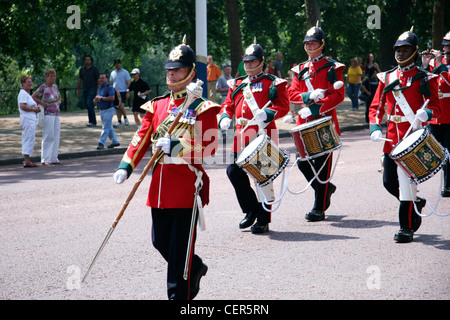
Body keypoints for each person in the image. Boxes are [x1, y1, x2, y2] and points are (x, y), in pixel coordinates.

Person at [113, 40, 220, 300]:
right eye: (169, 69)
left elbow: (210, 147)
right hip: (160, 186)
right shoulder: (157, 105)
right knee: (160, 241)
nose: (172, 74)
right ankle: (194, 267)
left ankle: (178, 296)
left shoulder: (202, 107)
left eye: (178, 70)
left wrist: (176, 146)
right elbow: (141, 137)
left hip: (186, 186)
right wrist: (126, 165)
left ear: (191, 72)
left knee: (179, 251)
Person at [369, 29, 440, 243]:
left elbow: (436, 107)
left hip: (413, 137)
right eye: (398, 50)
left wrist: (426, 113)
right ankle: (417, 203)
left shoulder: (425, 77)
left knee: (406, 183)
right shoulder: (387, 77)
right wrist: (374, 127)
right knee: (389, 182)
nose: (400, 53)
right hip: (392, 138)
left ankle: (405, 228)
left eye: (405, 49)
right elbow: (375, 107)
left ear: (415, 51)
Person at [219, 42, 289, 234]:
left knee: (263, 178)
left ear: (261, 62)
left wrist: (268, 113)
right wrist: (225, 116)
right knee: (233, 171)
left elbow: (283, 106)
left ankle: (263, 220)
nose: (249, 65)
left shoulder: (272, 82)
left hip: (264, 133)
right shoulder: (239, 83)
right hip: (241, 135)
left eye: (253, 62)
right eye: (246, 62)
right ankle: (251, 209)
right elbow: (228, 104)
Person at [288, 25, 346, 222]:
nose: (310, 46)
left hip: (324, 121)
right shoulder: (300, 69)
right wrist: (307, 95)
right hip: (304, 120)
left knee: (322, 166)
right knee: (302, 162)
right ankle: (326, 188)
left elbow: (338, 95)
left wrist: (315, 108)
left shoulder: (332, 67)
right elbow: (292, 94)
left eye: (313, 42)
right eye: (307, 43)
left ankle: (319, 208)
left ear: (321, 44)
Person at [421, 31, 450, 197]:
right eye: (445, 45)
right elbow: (426, 84)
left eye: (449, 46)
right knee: (434, 150)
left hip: (449, 115)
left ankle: (448, 186)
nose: (446, 48)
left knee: (448, 151)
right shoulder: (434, 62)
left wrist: (439, 63)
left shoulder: (438, 63)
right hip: (436, 114)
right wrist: (425, 65)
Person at [32, 69, 62, 165]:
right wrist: (42, 103)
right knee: (48, 136)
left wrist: (59, 101)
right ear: (47, 77)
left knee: (56, 135)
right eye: (51, 76)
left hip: (56, 112)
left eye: (54, 76)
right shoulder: (43, 87)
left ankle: (54, 157)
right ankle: (46, 159)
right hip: (48, 113)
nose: (53, 78)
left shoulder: (55, 87)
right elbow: (34, 96)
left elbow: (59, 96)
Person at [18, 75, 41, 167]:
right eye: (28, 82)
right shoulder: (23, 93)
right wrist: (33, 110)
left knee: (29, 138)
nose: (30, 84)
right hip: (27, 119)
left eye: (31, 82)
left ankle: (27, 159)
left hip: (31, 119)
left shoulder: (27, 94)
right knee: (28, 138)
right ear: (23, 83)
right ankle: (26, 160)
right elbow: (22, 106)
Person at [94, 73, 120, 150]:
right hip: (102, 110)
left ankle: (101, 143)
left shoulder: (109, 87)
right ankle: (115, 141)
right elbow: (98, 97)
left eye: (103, 78)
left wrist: (101, 98)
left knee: (105, 127)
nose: (101, 80)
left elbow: (112, 98)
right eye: (100, 78)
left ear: (106, 79)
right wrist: (95, 100)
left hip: (109, 109)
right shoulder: (100, 87)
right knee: (109, 127)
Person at [76, 55, 99, 127]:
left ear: (91, 61)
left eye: (88, 60)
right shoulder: (82, 69)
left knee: (90, 103)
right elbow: (80, 79)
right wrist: (78, 89)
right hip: (85, 89)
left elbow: (98, 80)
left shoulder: (94, 69)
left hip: (92, 88)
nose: (87, 61)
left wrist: (97, 90)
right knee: (87, 104)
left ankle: (93, 121)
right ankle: (91, 121)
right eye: (86, 60)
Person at [110, 59, 130, 127]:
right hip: (115, 92)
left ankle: (125, 117)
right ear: (114, 65)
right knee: (117, 107)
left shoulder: (125, 72)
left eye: (118, 63)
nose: (117, 65)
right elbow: (111, 83)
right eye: (116, 64)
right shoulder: (112, 73)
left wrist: (128, 92)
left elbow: (128, 82)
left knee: (121, 106)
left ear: (120, 64)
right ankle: (119, 121)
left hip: (123, 91)